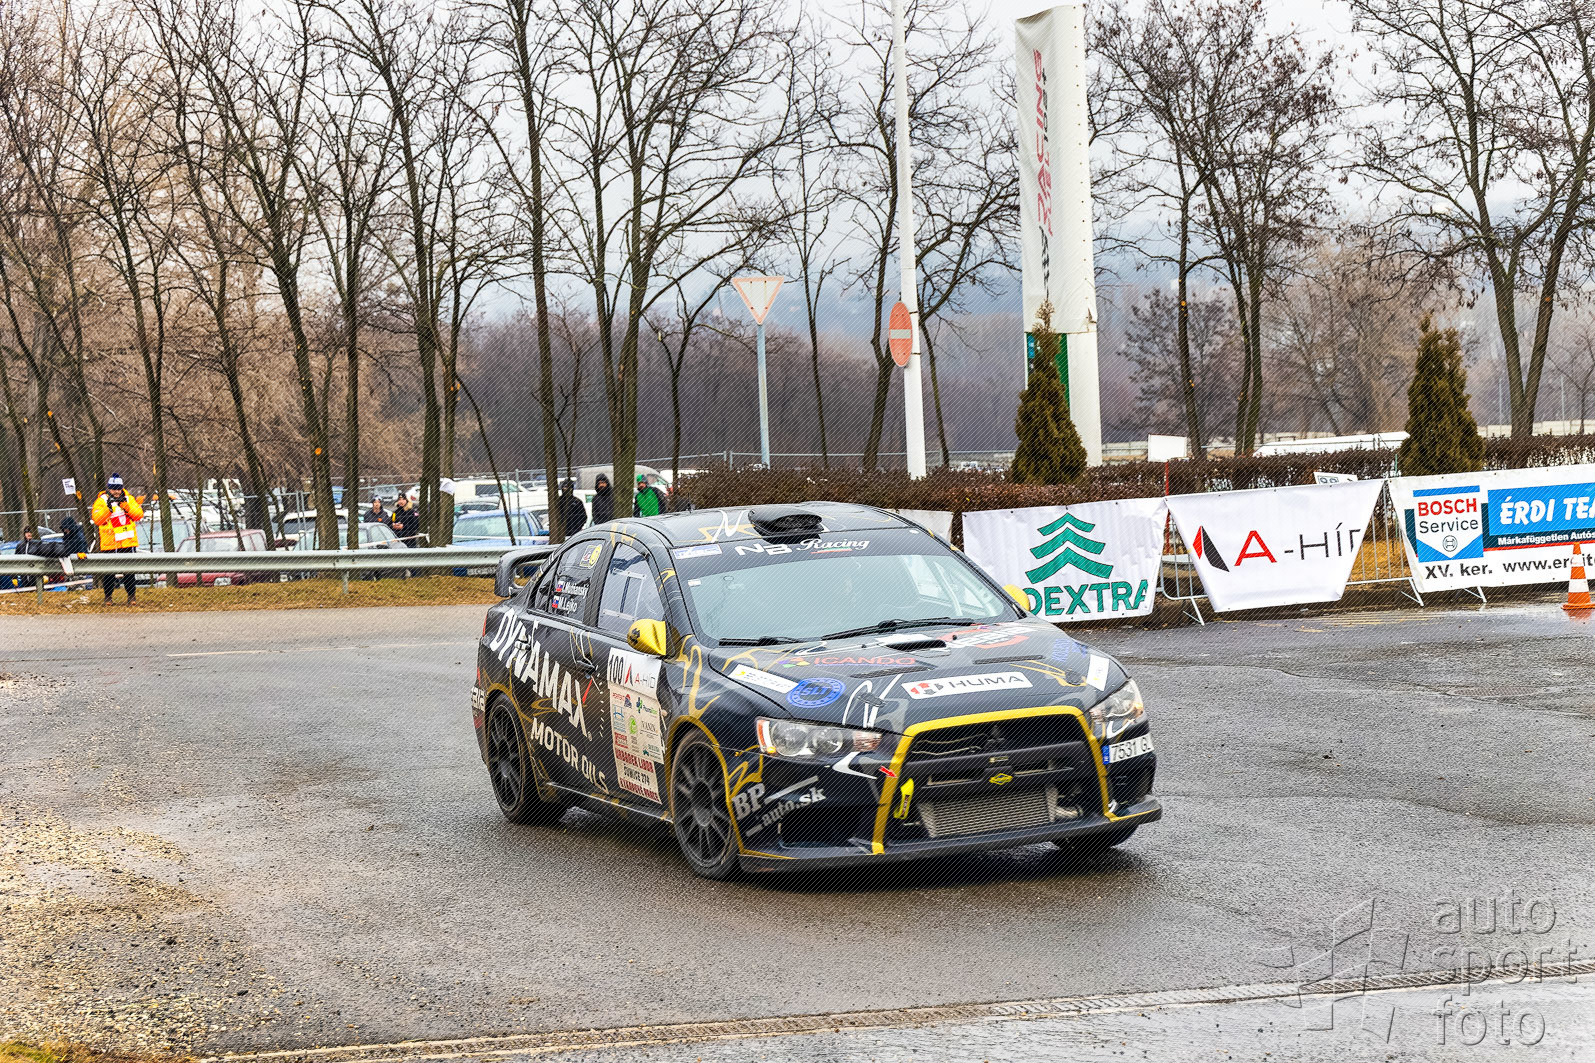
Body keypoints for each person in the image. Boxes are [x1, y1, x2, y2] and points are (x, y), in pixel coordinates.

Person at [91, 473, 144, 603]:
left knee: (129, 572)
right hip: (110, 543)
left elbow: (138, 515)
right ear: (109, 488)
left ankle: (131, 597)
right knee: (109, 573)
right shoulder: (101, 501)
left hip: (127, 542)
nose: (116, 492)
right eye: (114, 489)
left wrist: (127, 508)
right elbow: (97, 519)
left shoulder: (129, 499)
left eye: (118, 489)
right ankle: (108, 597)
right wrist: (108, 509)